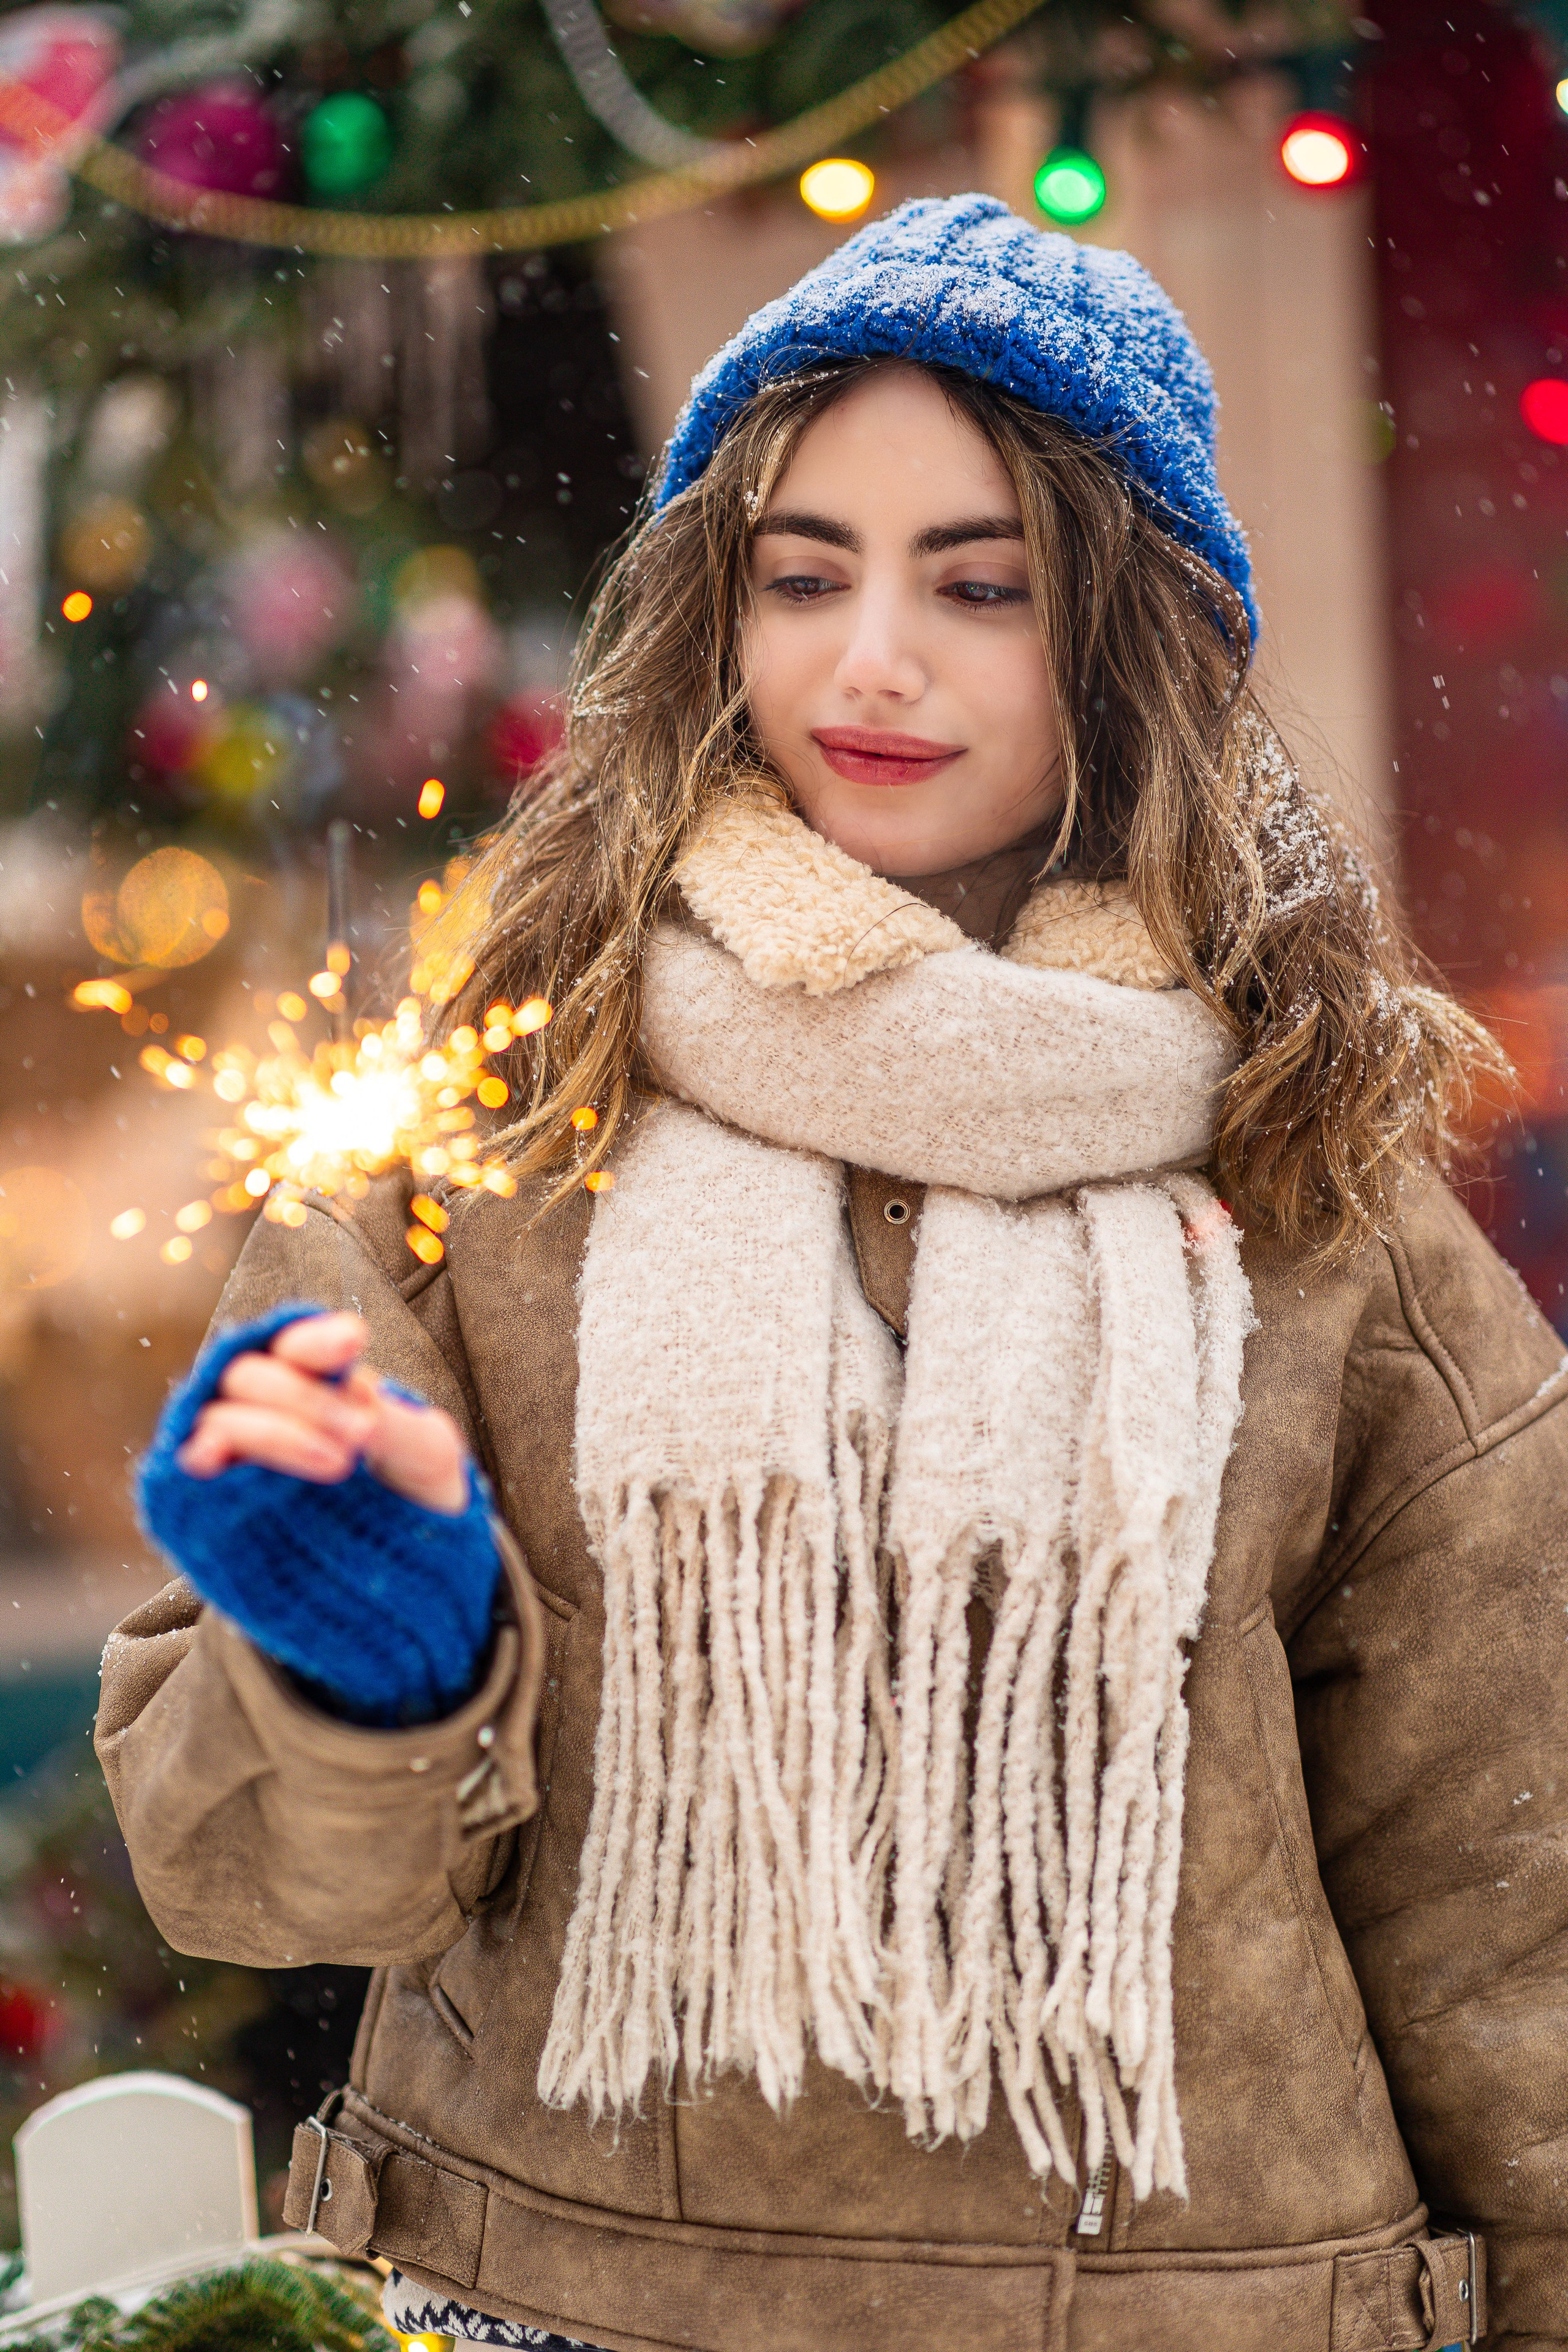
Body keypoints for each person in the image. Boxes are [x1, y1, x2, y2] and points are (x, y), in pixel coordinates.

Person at [97, 195, 1566, 2352]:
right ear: (716, 611)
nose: (873, 660)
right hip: (571, 2301)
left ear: (1127, 643)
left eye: (981, 585)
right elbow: (244, 1884)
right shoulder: (488, 1151)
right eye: (803, 577)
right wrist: (377, 1664)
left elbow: (1508, 1912)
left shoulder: (1321, 1190)